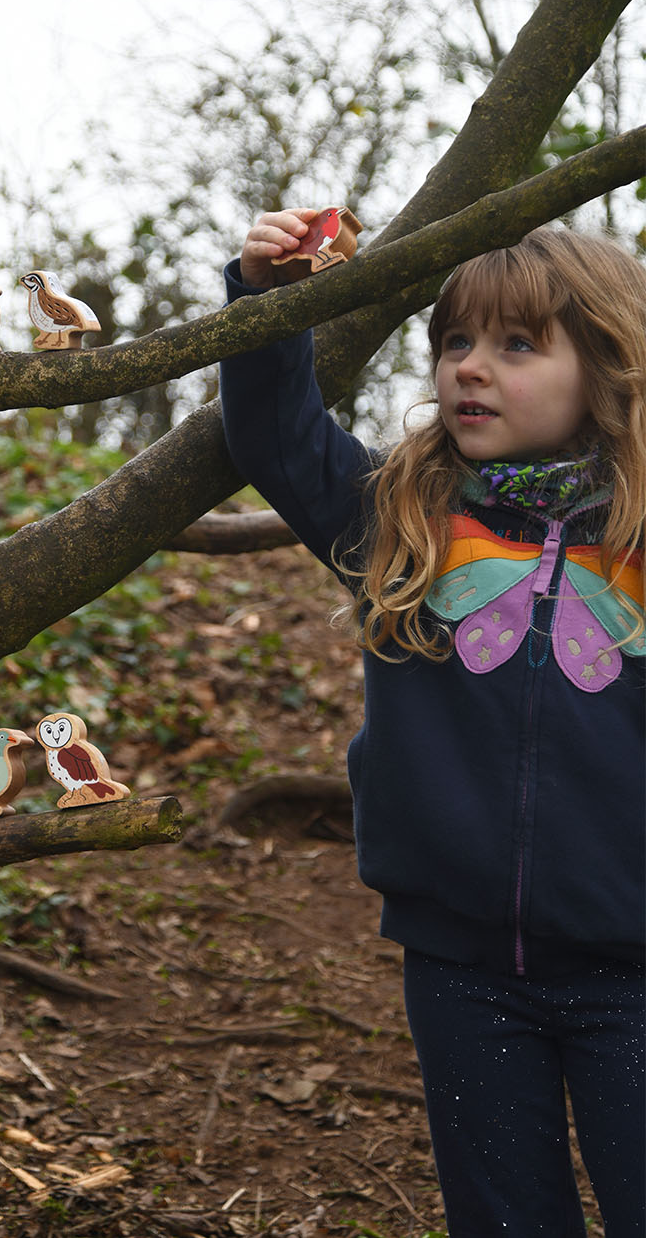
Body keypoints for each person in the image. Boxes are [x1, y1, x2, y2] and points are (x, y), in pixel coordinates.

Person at [220, 210, 646, 1236]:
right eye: (456, 341)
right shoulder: (406, 519)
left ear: (605, 364)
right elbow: (278, 438)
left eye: (515, 345)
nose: (471, 369)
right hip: (461, 974)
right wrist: (271, 298)